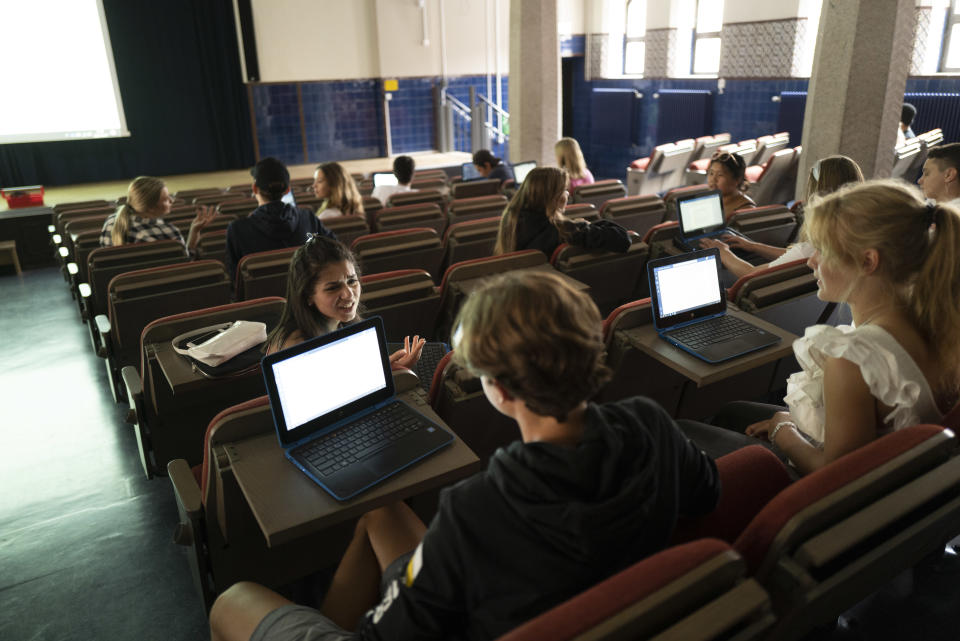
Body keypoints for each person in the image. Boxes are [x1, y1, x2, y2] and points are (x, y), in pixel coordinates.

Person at [210, 269, 720, 641]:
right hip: (606, 605)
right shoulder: (651, 424)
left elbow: (389, 635)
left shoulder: (476, 511)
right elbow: (706, 495)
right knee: (381, 513)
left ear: (496, 388)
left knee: (232, 602)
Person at [678, 180, 960, 476]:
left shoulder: (852, 359)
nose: (811, 260)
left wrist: (783, 431)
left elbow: (834, 477)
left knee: (683, 429)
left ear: (868, 261)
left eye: (823, 250)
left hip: (815, 501)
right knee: (732, 411)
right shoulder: (936, 322)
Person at [264, 234, 424, 370]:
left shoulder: (339, 323)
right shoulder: (295, 348)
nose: (349, 294)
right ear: (308, 295)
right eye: (333, 288)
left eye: (352, 281)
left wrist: (386, 369)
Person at [700, 155, 864, 280]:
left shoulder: (815, 248)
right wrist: (755, 246)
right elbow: (792, 256)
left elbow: (750, 274)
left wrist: (723, 253)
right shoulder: (856, 238)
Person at [225, 157, 335, 282]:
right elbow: (335, 251)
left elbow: (235, 282)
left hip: (263, 301)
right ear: (288, 189)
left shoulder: (237, 230)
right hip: (306, 298)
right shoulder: (308, 218)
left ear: (255, 188)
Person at [494, 166, 630, 256]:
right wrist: (583, 225)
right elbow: (623, 239)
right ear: (554, 197)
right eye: (565, 190)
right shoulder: (562, 231)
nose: (568, 195)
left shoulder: (511, 220)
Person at [99, 176, 216, 251]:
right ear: (150, 208)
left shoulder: (111, 222)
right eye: (165, 199)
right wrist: (195, 231)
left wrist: (194, 230)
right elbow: (185, 263)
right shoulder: (167, 231)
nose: (172, 200)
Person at [918, 142, 960, 206]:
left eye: (927, 173)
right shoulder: (933, 202)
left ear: (949, 175)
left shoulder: (950, 214)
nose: (919, 181)